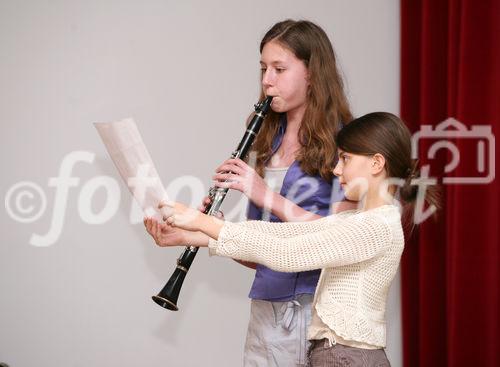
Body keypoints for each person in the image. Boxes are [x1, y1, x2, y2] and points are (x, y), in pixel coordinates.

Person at [144, 112, 440, 366]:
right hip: (338, 356)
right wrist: (196, 234)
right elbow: (284, 233)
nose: (337, 170)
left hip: (347, 358)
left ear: (377, 163)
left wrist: (201, 221)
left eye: (345, 158)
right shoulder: (358, 220)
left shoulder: (376, 227)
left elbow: (288, 254)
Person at [196, 19, 353, 366]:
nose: (267, 80)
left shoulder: (345, 145)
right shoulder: (266, 141)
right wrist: (217, 230)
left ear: (312, 73)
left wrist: (265, 194)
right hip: (266, 310)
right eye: (264, 68)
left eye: (280, 69)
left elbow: (341, 238)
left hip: (315, 313)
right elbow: (263, 253)